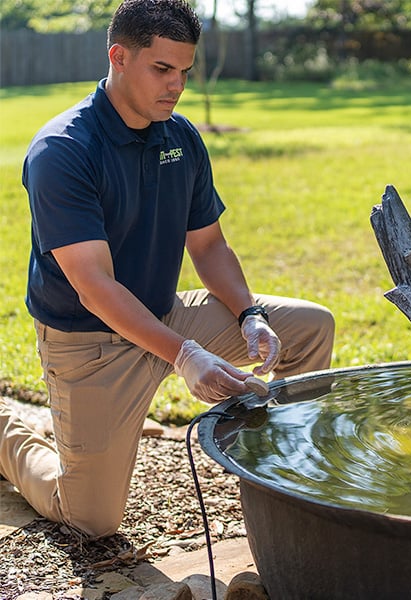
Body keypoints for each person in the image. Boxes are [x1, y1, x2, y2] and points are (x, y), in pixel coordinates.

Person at [0, 0, 334, 538]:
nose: (176, 85)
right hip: (91, 343)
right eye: (162, 69)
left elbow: (210, 247)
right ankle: (5, 436)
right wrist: (185, 355)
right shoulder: (63, 151)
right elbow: (94, 286)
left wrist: (249, 314)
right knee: (93, 520)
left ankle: (280, 469)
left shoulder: (181, 138)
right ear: (119, 57)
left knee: (309, 327)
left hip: (166, 315)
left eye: (185, 72)